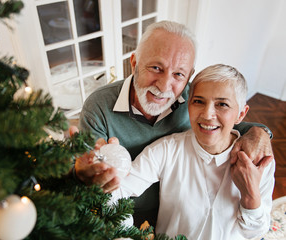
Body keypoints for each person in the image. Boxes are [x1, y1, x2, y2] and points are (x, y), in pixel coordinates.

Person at [73, 20, 273, 227]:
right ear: (134, 64)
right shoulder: (99, 106)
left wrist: (260, 132)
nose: (164, 85)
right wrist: (81, 173)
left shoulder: (195, 99)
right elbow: (88, 172)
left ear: (189, 77)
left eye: (178, 74)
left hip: (176, 210)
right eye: (156, 68)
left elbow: (225, 122)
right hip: (121, 211)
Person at [109, 64, 275, 239]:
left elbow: (256, 232)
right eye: (199, 101)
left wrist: (250, 196)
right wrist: (126, 234)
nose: (207, 114)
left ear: (241, 114)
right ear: (188, 105)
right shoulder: (166, 150)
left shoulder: (259, 160)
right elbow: (116, 190)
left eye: (222, 104)